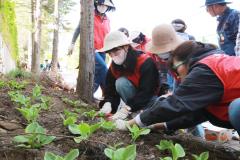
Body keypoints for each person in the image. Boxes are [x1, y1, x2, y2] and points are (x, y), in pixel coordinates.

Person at [115, 40, 240, 137]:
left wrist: (132, 123)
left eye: (176, 68)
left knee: (237, 108)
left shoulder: (206, 69)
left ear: (187, 60)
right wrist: (164, 126)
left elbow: (175, 104)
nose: (178, 76)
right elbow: (200, 113)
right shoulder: (216, 62)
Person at [98, 30, 159, 120]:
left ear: (126, 47)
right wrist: (108, 103)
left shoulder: (145, 62)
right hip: (131, 100)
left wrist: (127, 108)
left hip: (149, 99)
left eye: (116, 52)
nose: (113, 56)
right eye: (110, 54)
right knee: (120, 83)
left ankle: (140, 112)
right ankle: (134, 111)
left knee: (122, 83)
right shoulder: (114, 66)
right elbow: (110, 89)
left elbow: (147, 91)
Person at [67, 0, 115, 94]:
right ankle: (89, 93)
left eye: (105, 6)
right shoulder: (89, 14)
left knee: (102, 73)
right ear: (97, 4)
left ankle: (106, 97)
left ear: (108, 7)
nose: (103, 7)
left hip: (103, 51)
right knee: (103, 68)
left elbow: (107, 36)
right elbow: (78, 28)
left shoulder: (107, 20)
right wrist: (72, 43)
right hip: (92, 49)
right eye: (101, 4)